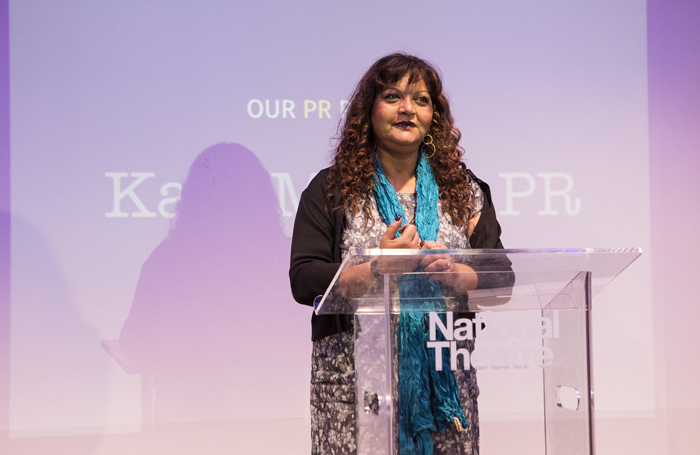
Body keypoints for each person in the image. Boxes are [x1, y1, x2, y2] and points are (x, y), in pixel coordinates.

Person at [290, 53, 505, 455]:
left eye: (421, 100)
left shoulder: (467, 192)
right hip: (354, 388)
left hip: (445, 387)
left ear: (433, 117)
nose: (408, 108)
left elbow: (502, 278)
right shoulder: (331, 189)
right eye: (393, 96)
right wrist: (376, 267)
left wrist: (459, 273)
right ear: (368, 112)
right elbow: (304, 279)